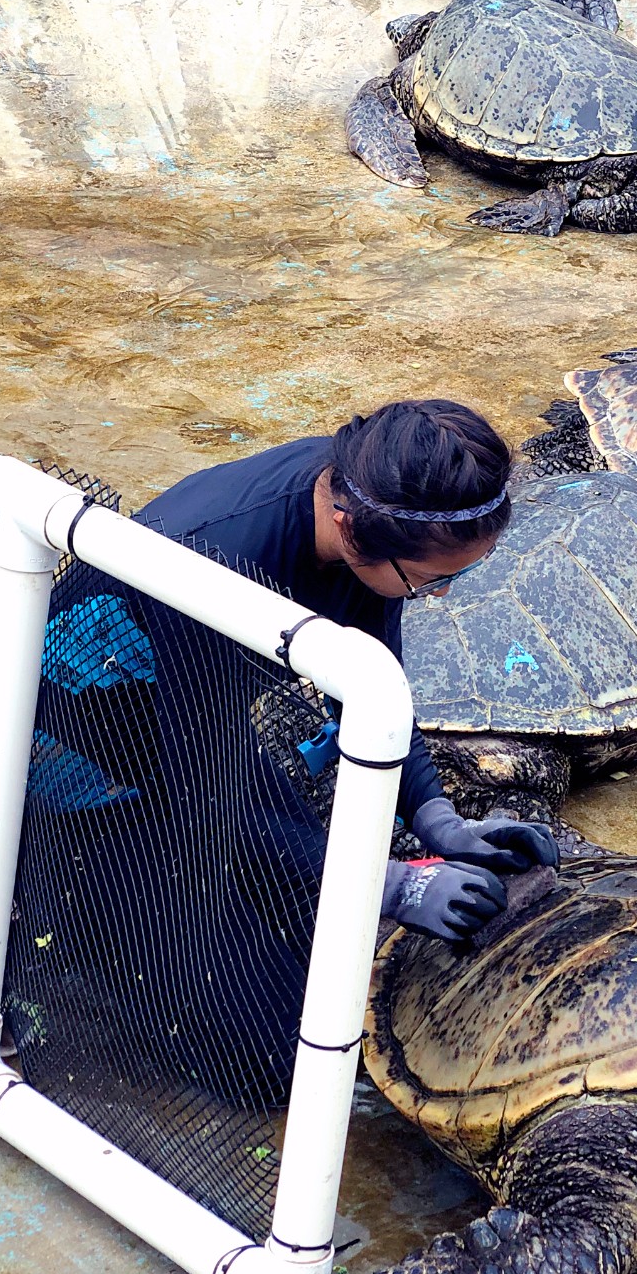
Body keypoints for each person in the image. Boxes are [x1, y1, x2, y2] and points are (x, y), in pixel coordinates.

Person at [133, 398, 556, 947]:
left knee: (290, 880)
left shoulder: (374, 494)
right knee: (234, 964)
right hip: (75, 730)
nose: (442, 593)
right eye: (428, 580)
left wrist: (438, 820)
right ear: (348, 528)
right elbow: (207, 791)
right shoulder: (213, 567)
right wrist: (388, 885)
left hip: (195, 716)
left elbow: (374, 692)